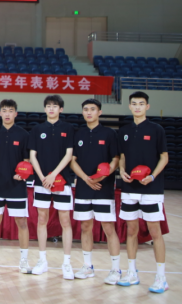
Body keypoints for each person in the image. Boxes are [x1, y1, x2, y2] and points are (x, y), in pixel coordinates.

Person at [116, 92, 169, 293]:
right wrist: (122, 170)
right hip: (130, 188)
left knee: (155, 231)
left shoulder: (156, 129)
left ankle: (161, 278)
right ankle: (132, 273)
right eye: (134, 103)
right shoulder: (124, 131)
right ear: (130, 106)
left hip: (151, 189)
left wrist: (153, 176)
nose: (137, 106)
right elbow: (122, 156)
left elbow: (164, 157)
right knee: (131, 231)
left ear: (147, 106)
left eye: (141, 103)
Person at [70, 98, 121, 283]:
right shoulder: (78, 134)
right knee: (85, 226)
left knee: (108, 227)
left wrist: (101, 177)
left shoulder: (109, 134)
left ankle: (116, 269)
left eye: (92, 109)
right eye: (86, 109)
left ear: (99, 112)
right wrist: (85, 178)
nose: (89, 112)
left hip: (103, 188)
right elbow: (72, 160)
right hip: (84, 187)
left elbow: (115, 159)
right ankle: (87, 267)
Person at [0, 99, 31, 273]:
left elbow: (26, 161)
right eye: (4, 110)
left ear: (15, 113)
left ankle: (24, 260)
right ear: (0, 113)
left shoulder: (23, 135)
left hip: (17, 186)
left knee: (21, 222)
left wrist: (23, 174)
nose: (7, 113)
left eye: (10, 110)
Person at [28, 94, 75, 279]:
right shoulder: (37, 129)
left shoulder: (68, 128)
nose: (51, 109)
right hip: (42, 182)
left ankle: (67, 263)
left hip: (62, 181)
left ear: (60, 109)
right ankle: (42, 261)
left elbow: (69, 154)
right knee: (42, 219)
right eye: (48, 106)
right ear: (45, 108)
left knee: (65, 221)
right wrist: (42, 178)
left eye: (55, 106)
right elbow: (32, 156)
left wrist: (54, 175)